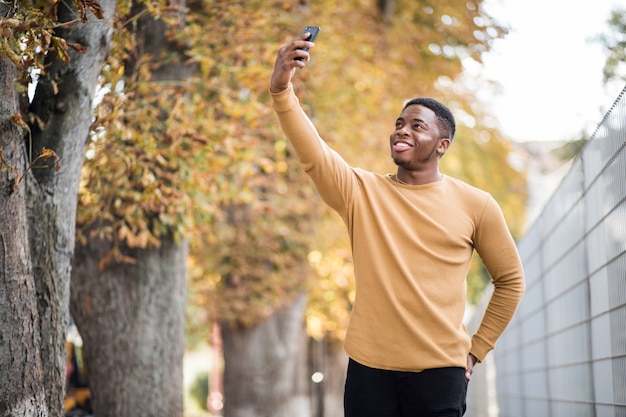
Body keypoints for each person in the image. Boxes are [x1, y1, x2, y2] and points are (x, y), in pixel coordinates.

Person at [270, 30, 525, 417]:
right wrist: (281, 90)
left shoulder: (477, 204)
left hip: (441, 375)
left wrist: (477, 349)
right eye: (400, 122)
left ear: (442, 145)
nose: (402, 129)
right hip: (369, 373)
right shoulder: (361, 191)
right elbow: (314, 154)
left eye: (418, 125)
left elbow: (510, 280)